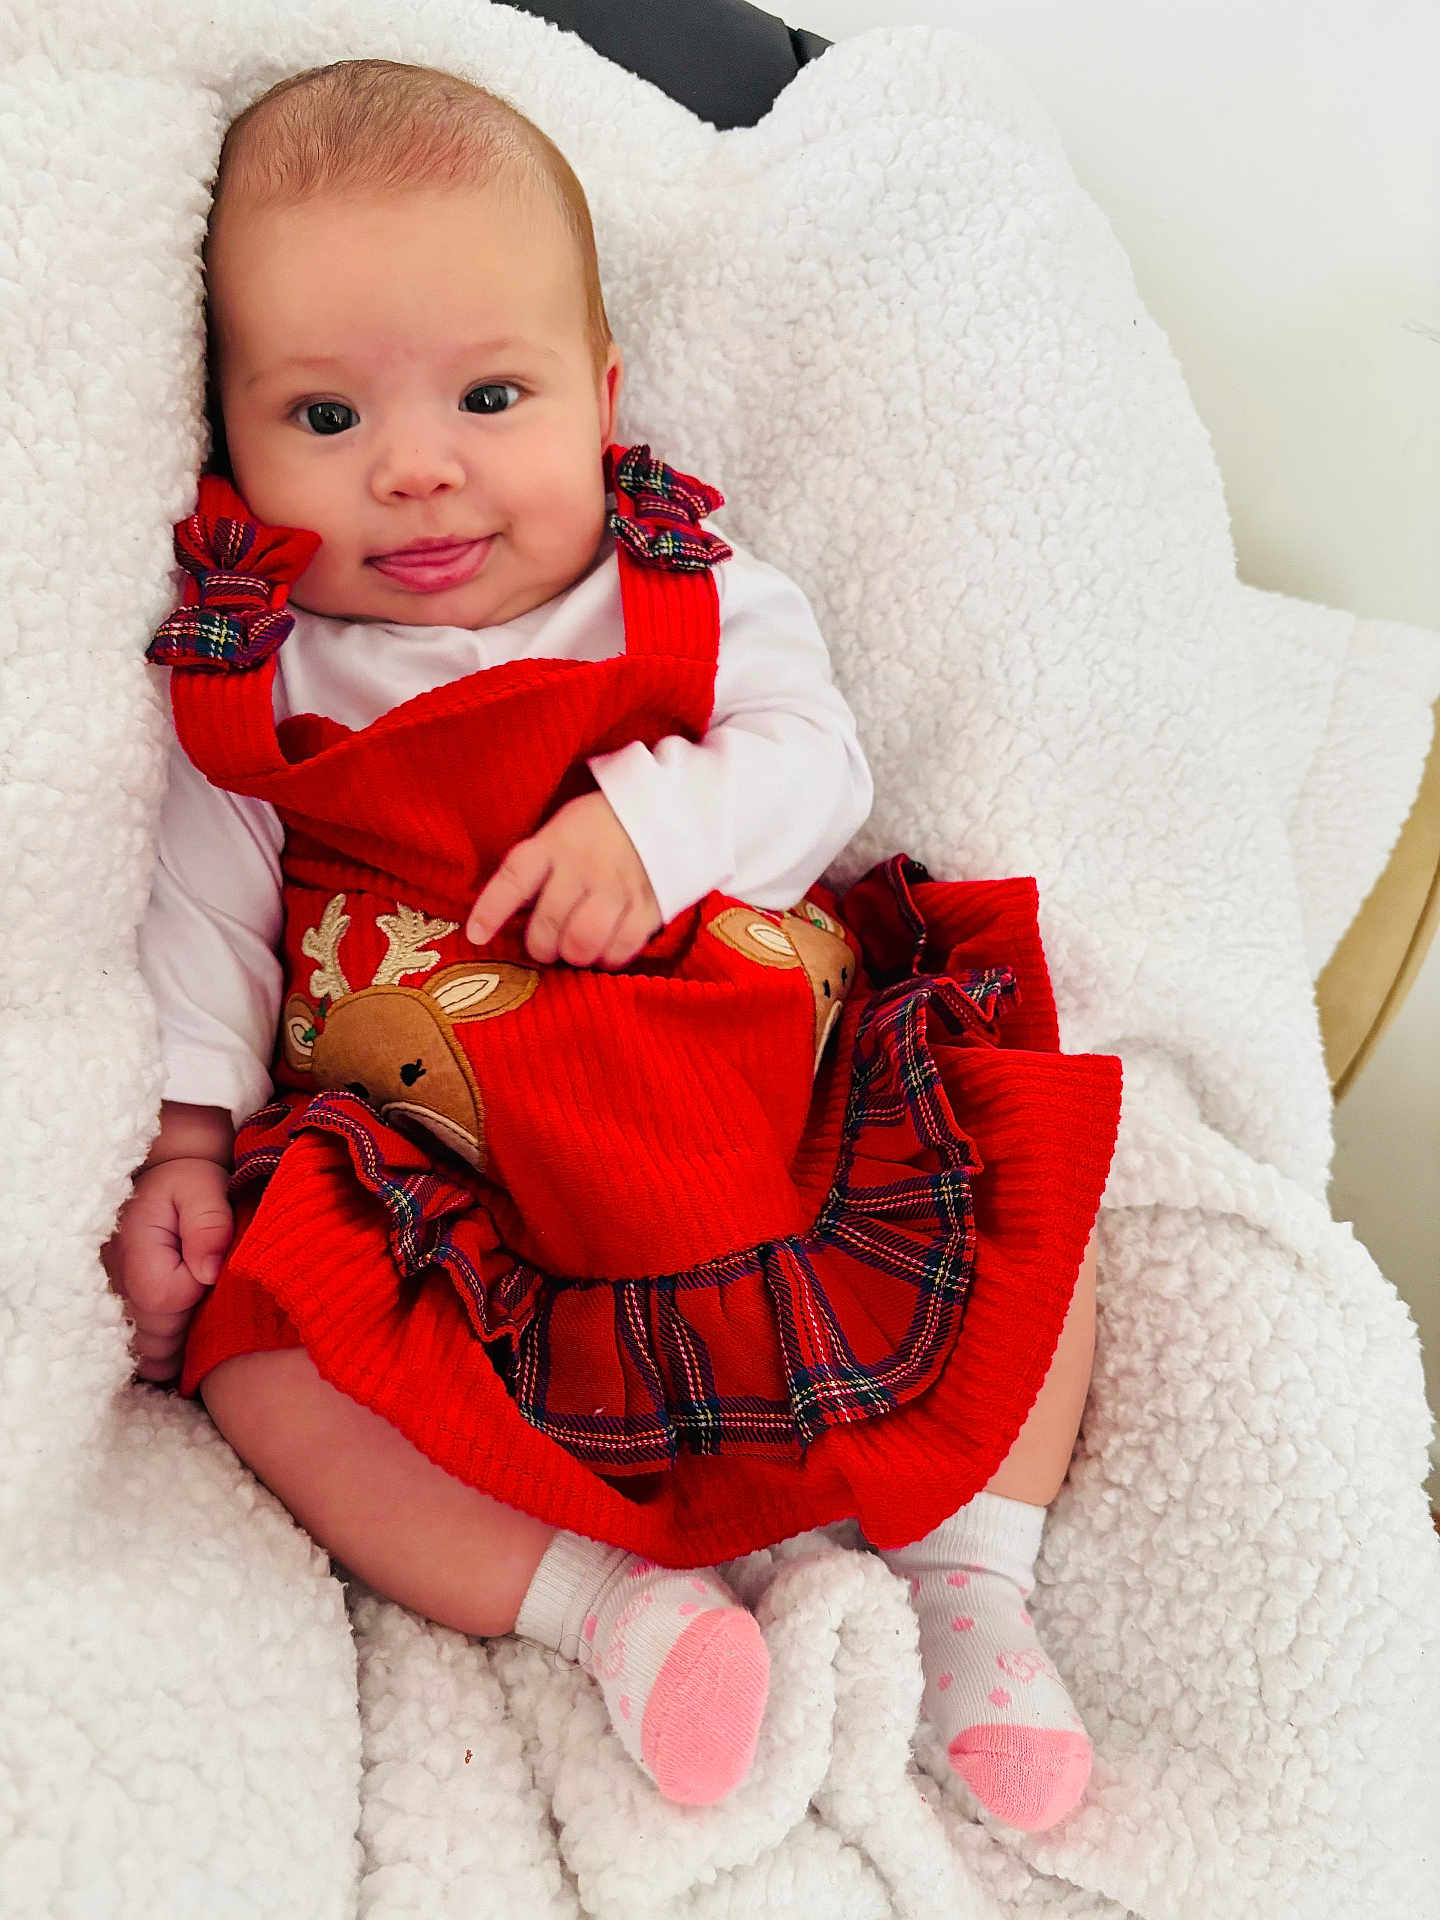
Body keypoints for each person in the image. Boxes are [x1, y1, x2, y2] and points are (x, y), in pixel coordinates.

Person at [103, 58, 1122, 1829]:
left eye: (491, 395)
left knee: (1014, 1165)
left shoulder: (692, 595)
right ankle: (611, 1614)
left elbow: (819, 765)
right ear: (229, 444)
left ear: (602, 401)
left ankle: (979, 1591)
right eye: (324, 421)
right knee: (264, 1358)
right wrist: (193, 1137)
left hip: (749, 1091)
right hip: (457, 1175)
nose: (418, 471)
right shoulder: (264, 680)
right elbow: (205, 915)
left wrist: (660, 828)